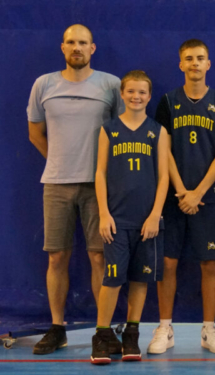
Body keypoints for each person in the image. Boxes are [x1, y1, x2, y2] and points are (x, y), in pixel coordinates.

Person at [27, 24, 124, 355]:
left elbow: (123, 133)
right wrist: (59, 161)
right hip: (56, 183)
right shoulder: (43, 84)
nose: (77, 47)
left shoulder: (111, 85)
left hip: (99, 187)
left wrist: (100, 172)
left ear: (92, 48)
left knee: (99, 257)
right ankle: (58, 329)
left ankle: (103, 331)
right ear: (63, 47)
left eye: (83, 42)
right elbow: (35, 133)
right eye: (71, 42)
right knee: (57, 257)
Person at [148, 39, 215, 354]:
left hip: (208, 197)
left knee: (210, 263)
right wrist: (182, 191)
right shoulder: (168, 102)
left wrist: (197, 193)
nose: (195, 63)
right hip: (174, 196)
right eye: (189, 58)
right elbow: (164, 149)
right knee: (167, 263)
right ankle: (165, 327)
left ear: (208, 64)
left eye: (200, 58)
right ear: (181, 64)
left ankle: (209, 329)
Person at [91, 70, 169, 365]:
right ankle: (101, 335)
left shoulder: (157, 131)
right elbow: (100, 173)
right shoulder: (108, 130)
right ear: (122, 94)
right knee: (112, 279)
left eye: (142, 92)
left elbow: (163, 177)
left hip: (146, 220)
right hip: (117, 220)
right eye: (131, 91)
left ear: (149, 96)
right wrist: (104, 213)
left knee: (140, 278)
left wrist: (155, 215)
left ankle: (131, 334)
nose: (136, 96)